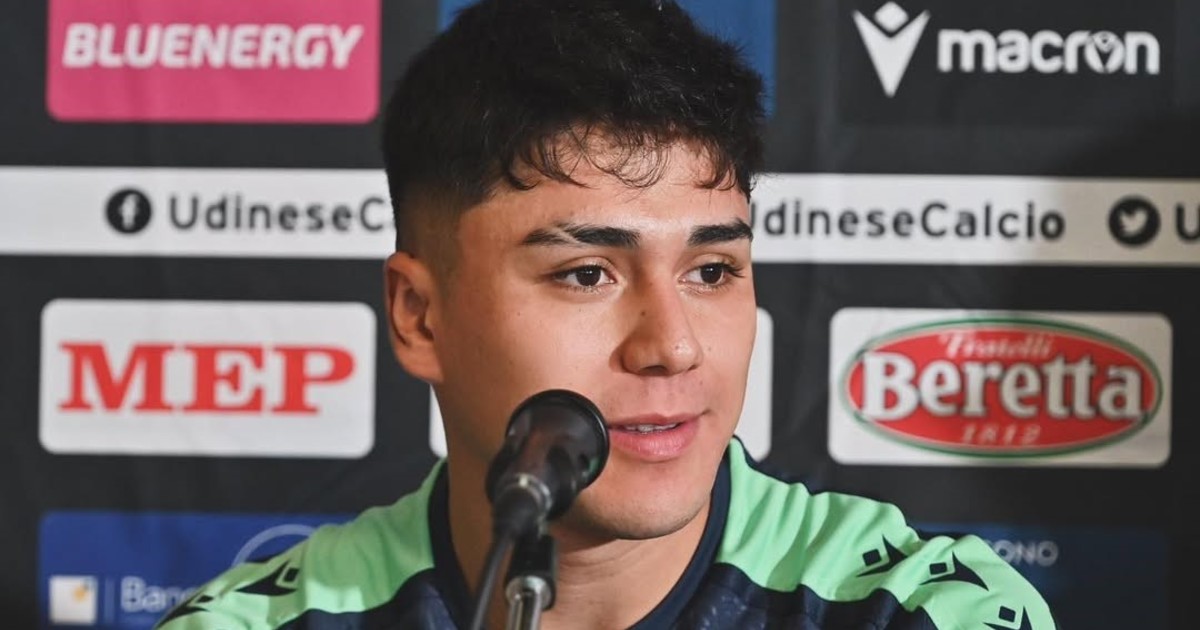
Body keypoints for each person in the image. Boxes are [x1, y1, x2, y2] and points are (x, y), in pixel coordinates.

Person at [157, 0, 1055, 628]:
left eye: (712, 270)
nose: (672, 346)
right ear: (419, 318)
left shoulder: (919, 611)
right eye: (587, 274)